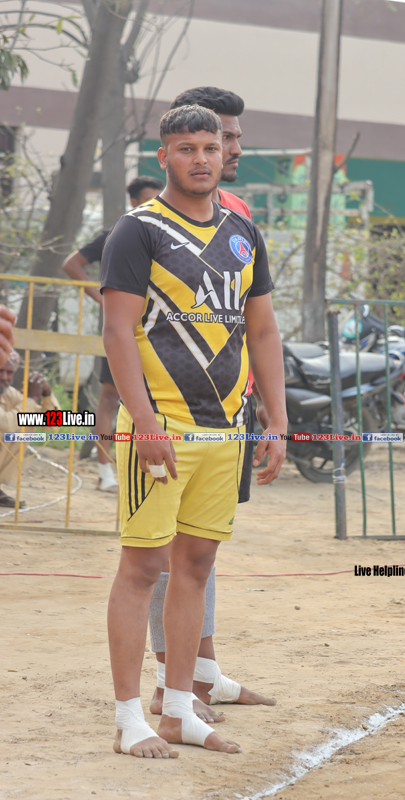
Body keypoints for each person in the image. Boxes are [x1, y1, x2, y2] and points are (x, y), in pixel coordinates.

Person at [101, 104, 287, 757]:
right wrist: (146, 423)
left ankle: (180, 710)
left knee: (197, 566)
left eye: (210, 147)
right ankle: (129, 719)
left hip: (225, 431)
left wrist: (276, 421)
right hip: (159, 431)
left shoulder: (243, 232)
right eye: (186, 148)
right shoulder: (138, 231)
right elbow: (116, 331)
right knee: (142, 567)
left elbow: (262, 330)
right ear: (164, 157)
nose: (201, 158)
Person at [148, 87, 272, 722]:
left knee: (203, 549)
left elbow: (256, 321)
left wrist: (267, 405)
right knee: (165, 553)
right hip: (171, 410)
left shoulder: (237, 214)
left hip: (231, 409)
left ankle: (203, 673)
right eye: (225, 136)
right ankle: (168, 685)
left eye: (230, 139)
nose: (232, 148)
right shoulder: (153, 222)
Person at [62, 176, 164, 491]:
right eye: (147, 199)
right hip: (123, 328)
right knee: (110, 397)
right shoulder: (119, 233)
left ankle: (153, 466)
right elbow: (72, 264)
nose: (154, 204)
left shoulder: (169, 233)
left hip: (161, 332)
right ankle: (105, 471)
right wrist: (104, 299)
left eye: (158, 197)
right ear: (134, 202)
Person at [0, 350, 60, 506]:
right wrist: (31, 399)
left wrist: (46, 395)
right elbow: (5, 423)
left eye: (9, 373)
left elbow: (53, 424)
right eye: (0, 370)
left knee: (25, 422)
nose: (4, 377)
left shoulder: (9, 394)